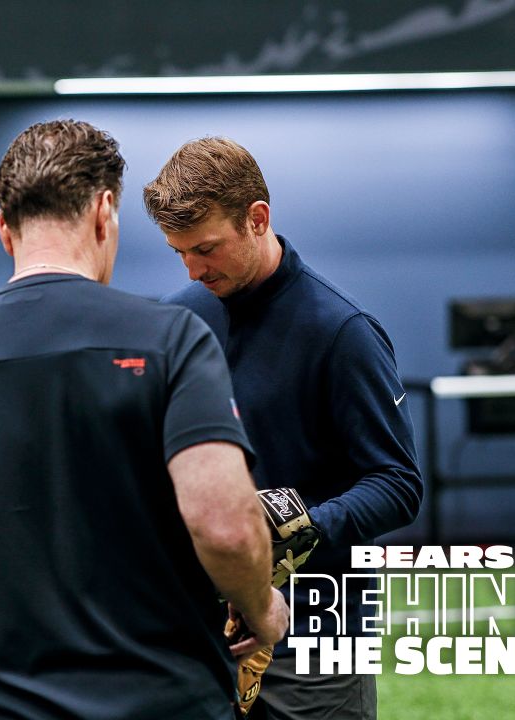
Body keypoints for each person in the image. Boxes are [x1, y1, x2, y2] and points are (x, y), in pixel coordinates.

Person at [0, 119, 288, 720]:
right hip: (162, 701)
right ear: (105, 211)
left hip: (0, 708)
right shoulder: (171, 339)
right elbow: (226, 527)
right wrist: (263, 609)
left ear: (4, 228)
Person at [144, 137, 424, 720]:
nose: (194, 269)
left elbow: (398, 482)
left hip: (318, 636)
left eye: (206, 249)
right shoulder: (176, 322)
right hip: (200, 631)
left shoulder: (342, 331)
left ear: (257, 219)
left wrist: (294, 531)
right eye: (179, 253)